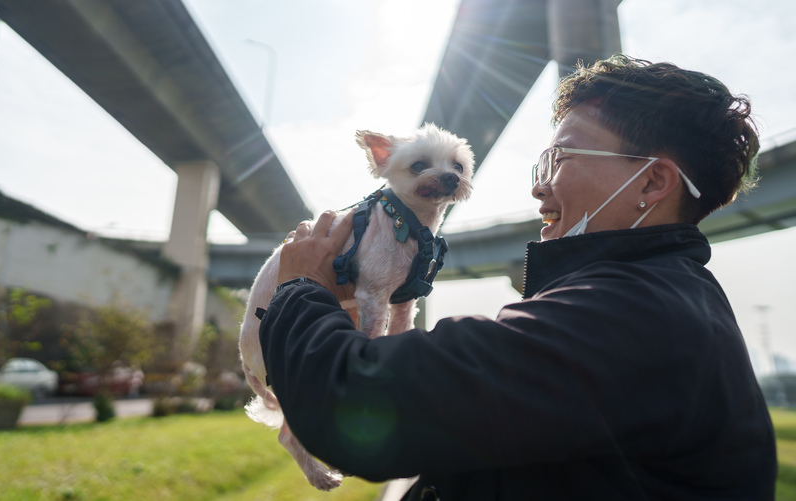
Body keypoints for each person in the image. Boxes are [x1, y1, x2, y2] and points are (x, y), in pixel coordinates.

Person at [257, 55, 777, 500]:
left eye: (562, 158)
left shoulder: (630, 318)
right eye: (543, 164)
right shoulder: (663, 301)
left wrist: (302, 286)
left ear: (653, 182)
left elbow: (360, 402)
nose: (540, 188)